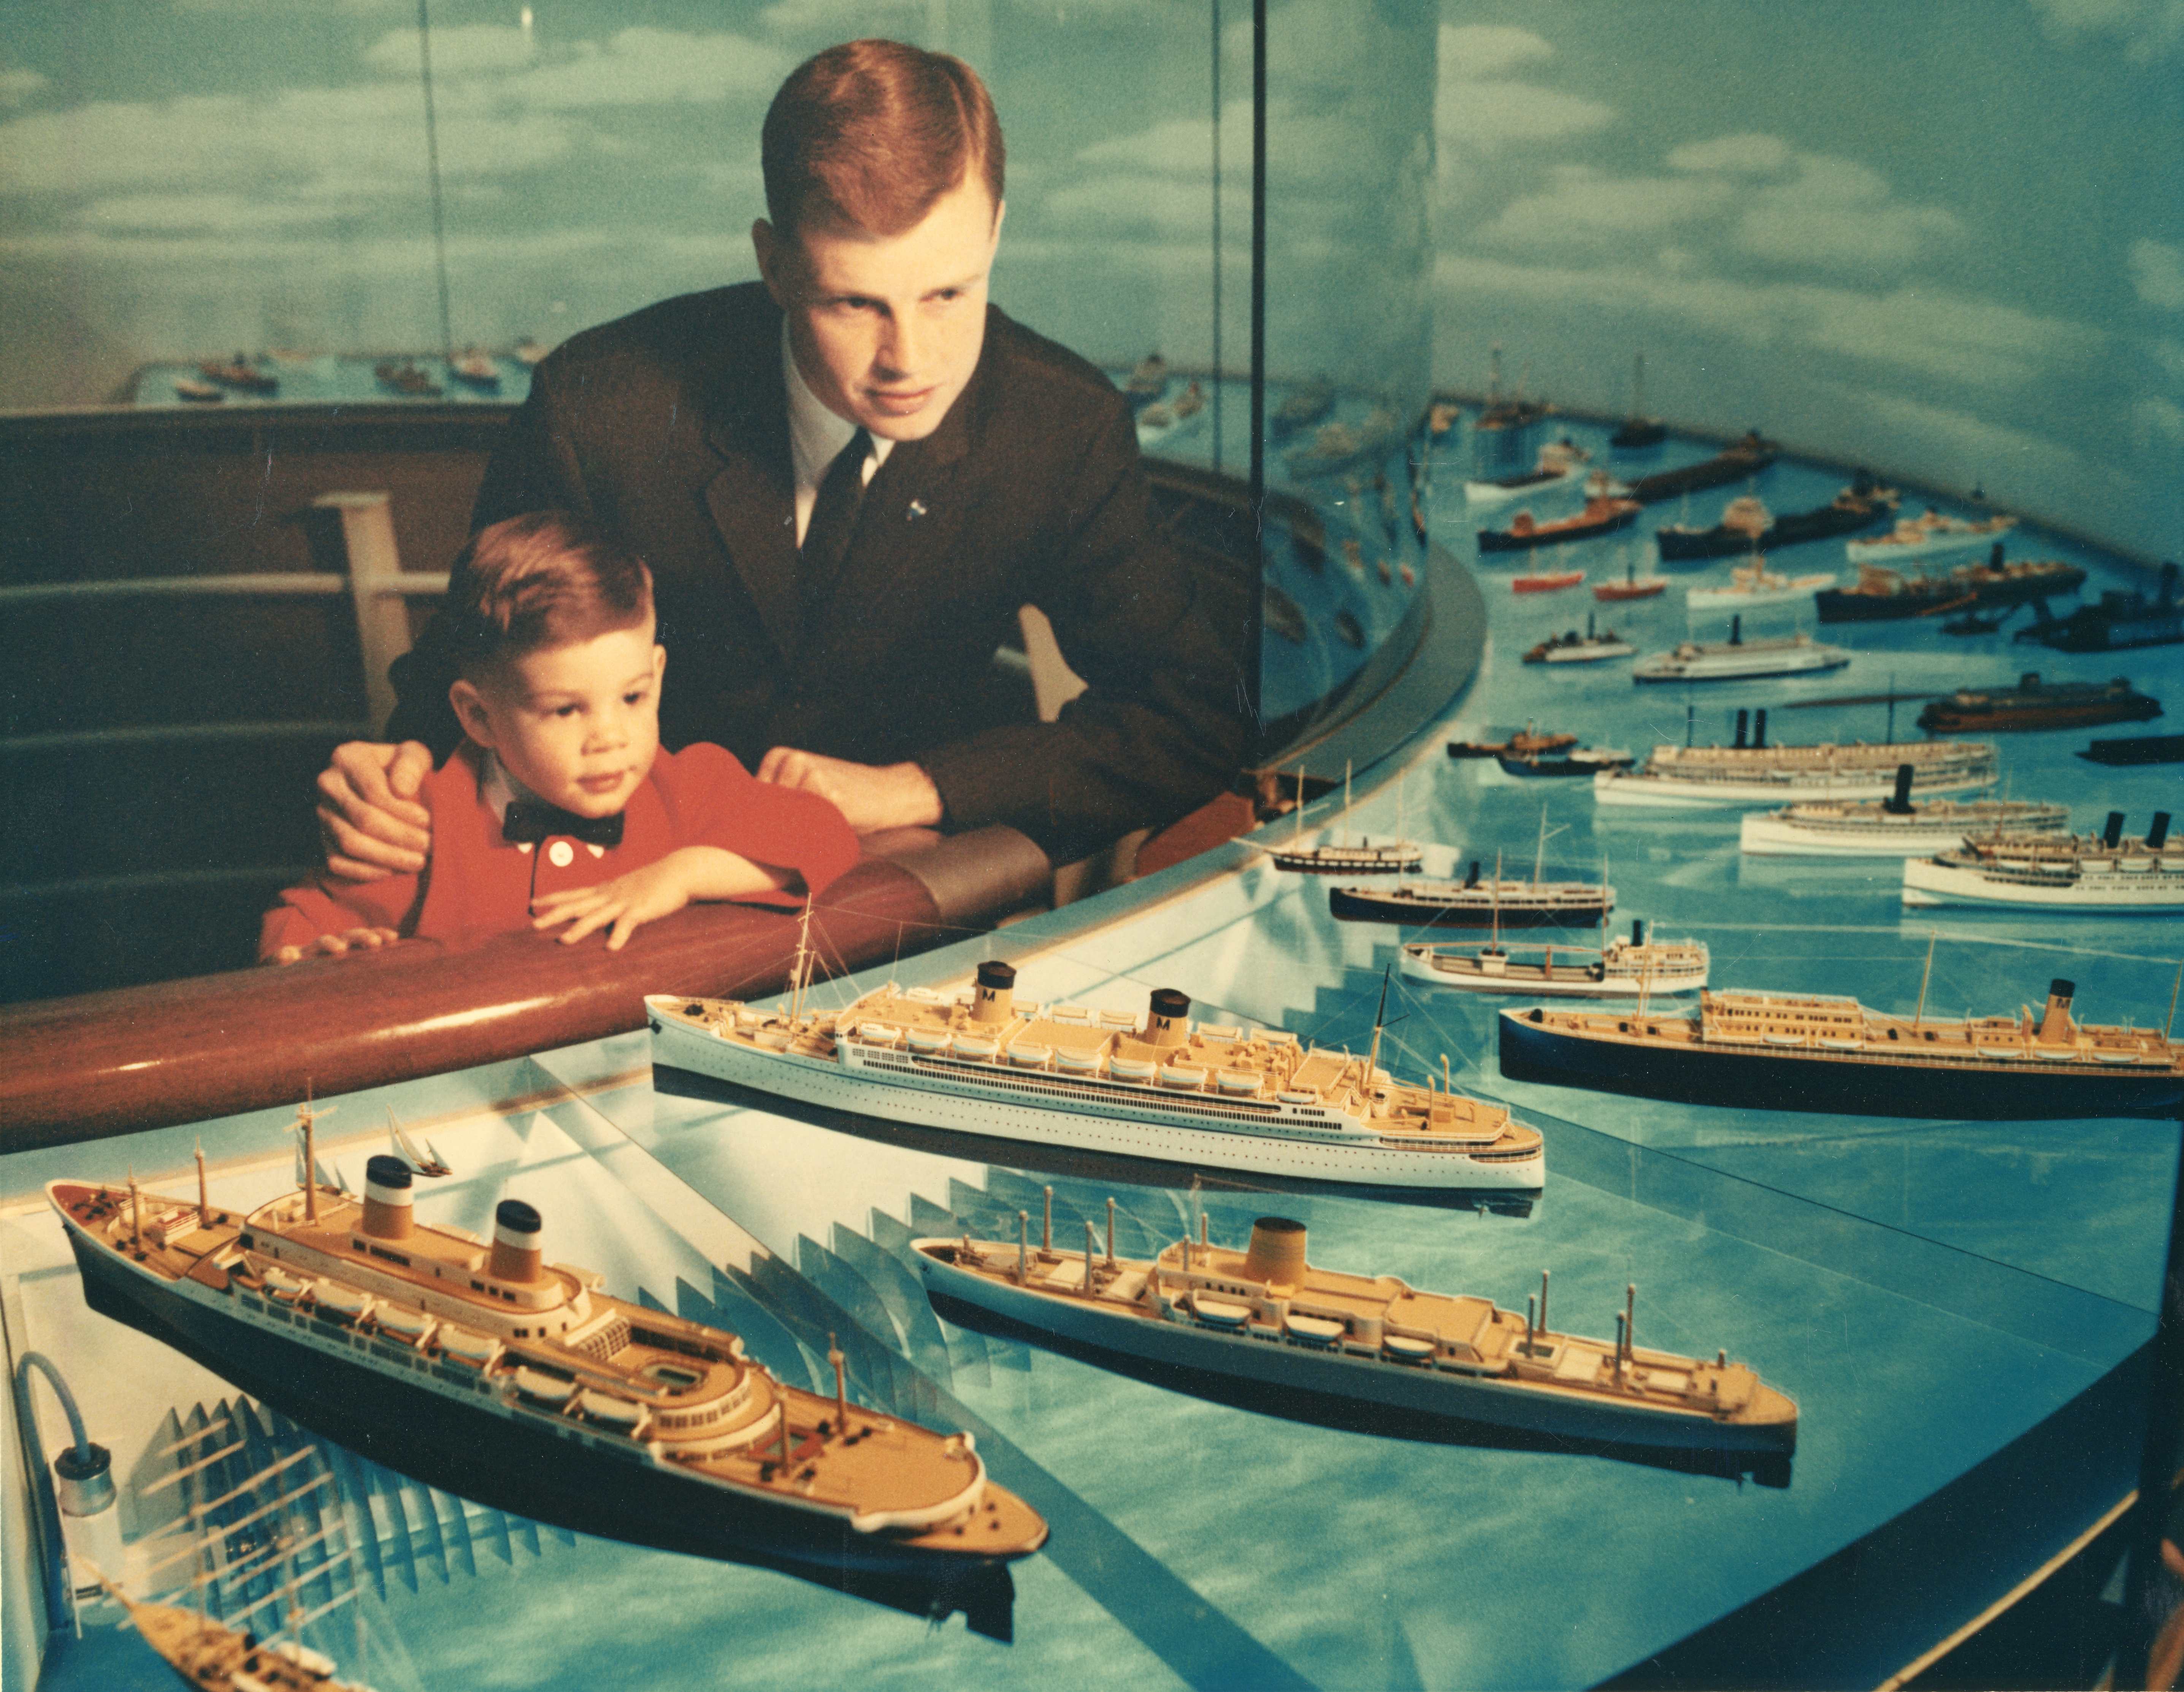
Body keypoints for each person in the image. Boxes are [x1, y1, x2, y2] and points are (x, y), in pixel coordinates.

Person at [315, 38, 1248, 891]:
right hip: (604, 901)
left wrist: (914, 789)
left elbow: (1192, 715)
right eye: (854, 304)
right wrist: (392, 782)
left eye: (949, 293)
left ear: (996, 231)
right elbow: (462, 684)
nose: (911, 361)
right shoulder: (599, 409)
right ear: (773, 264)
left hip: (896, 907)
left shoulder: (1060, 426)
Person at [261, 512, 860, 963]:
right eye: (565, 710)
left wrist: (676, 876)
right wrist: (320, 957)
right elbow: (297, 924)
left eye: (632, 698)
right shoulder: (421, 820)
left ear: (657, 675)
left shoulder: (685, 784)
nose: (610, 739)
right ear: (477, 717)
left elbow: (825, 835)